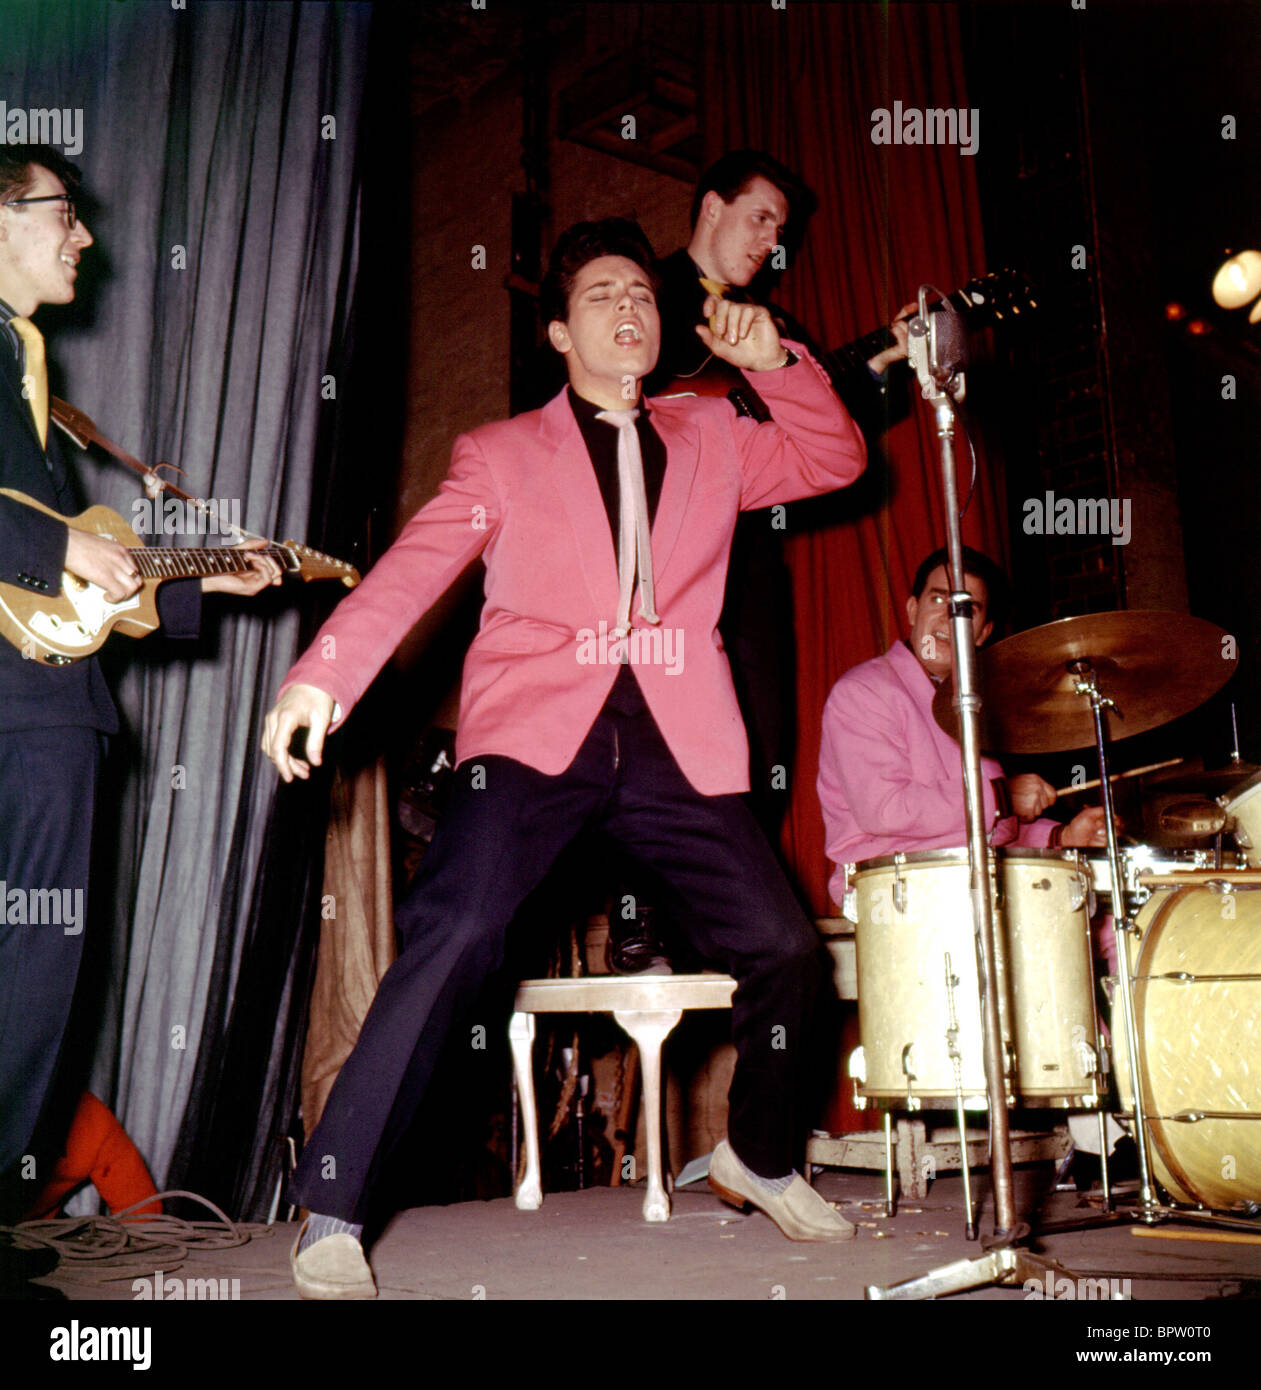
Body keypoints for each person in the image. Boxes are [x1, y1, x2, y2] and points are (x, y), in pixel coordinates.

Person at [262, 216, 869, 1298]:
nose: (627, 307)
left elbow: (835, 457)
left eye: (640, 292)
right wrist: (327, 670)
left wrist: (774, 362)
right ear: (556, 330)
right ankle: (336, 1200)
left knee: (785, 949)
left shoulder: (715, 435)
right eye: (598, 294)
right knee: (458, 927)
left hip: (679, 734)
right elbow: (415, 563)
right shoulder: (501, 454)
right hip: (538, 731)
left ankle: (759, 1156)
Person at [0, 145, 281, 1285]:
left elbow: (72, 591)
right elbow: (46, 553)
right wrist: (60, 538)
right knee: (31, 971)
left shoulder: (30, 375)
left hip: (31, 690)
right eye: (61, 215)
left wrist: (199, 580)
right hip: (26, 716)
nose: (86, 238)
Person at [607, 149, 917, 975]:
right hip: (657, 561)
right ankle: (639, 918)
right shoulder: (645, 293)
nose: (771, 240)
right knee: (652, 735)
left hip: (746, 562)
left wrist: (891, 362)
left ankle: (713, 918)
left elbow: (831, 435)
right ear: (709, 207)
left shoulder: (777, 332)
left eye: (781, 228)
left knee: (761, 736)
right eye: (759, 218)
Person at [817, 545, 1109, 907]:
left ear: (983, 633)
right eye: (938, 599)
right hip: (896, 895)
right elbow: (887, 810)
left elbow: (987, 830)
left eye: (966, 609)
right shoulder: (863, 692)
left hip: (975, 884)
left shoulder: (973, 703)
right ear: (912, 609)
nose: (949, 617)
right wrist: (1001, 797)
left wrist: (1060, 836)